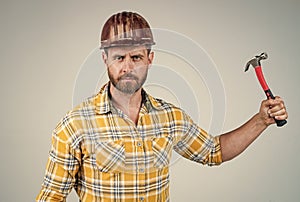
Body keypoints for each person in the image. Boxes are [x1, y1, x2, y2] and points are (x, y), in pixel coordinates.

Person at [36, 11, 288, 202]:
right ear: (105, 59)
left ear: (150, 58)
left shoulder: (169, 117)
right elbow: (51, 196)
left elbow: (214, 151)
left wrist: (260, 120)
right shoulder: (74, 125)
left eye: (136, 57)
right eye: (119, 58)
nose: (127, 67)